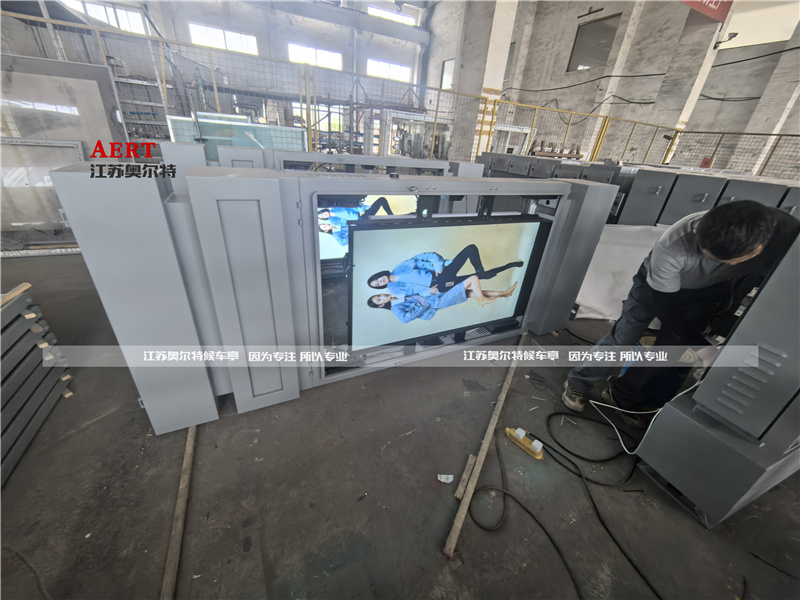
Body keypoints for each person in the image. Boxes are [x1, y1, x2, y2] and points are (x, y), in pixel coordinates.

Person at [562, 200, 799, 428]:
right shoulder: (673, 247)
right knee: (623, 337)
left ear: (758, 248)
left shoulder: (787, 233)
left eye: (728, 262)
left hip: (710, 291)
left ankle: (627, 397)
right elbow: (665, 306)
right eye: (707, 257)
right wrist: (704, 348)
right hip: (655, 290)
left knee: (672, 353)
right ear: (698, 230)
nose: (718, 264)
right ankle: (579, 381)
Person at [368, 244, 523, 298]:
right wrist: (430, 292)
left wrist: (439, 268)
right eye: (377, 284)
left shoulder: (404, 265)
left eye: (377, 279)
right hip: (439, 285)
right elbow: (418, 295)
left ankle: (506, 266)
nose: (379, 281)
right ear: (381, 286)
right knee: (479, 282)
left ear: (379, 275)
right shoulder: (398, 290)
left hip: (442, 273)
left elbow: (431, 256)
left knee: (471, 250)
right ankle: (504, 286)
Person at [368, 275, 518, 324]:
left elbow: (418, 295)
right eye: (379, 300)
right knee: (473, 279)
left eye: (379, 295)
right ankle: (482, 301)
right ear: (381, 305)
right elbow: (405, 319)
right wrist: (426, 305)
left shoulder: (398, 296)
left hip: (435, 296)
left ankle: (505, 293)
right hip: (437, 302)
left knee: (472, 292)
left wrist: (430, 292)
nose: (382, 297)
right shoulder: (395, 308)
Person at [318, 197, 394, 221]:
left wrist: (362, 210)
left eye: (322, 214)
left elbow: (357, 204)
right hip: (360, 221)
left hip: (362, 214)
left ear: (323, 210)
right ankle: (391, 217)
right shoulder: (333, 220)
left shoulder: (335, 207)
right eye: (322, 217)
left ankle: (391, 215)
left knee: (382, 200)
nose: (324, 215)